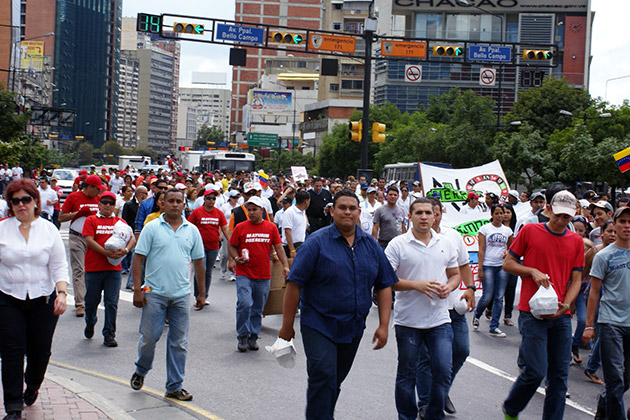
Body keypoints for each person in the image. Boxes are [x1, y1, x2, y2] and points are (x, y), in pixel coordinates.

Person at [278, 189, 397, 420]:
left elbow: (384, 285)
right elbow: (294, 284)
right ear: (332, 211)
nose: (347, 212)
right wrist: (287, 326)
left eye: (352, 208)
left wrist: (383, 325)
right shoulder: (316, 243)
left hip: (353, 327)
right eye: (342, 208)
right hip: (318, 324)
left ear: (359, 212)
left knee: (334, 380)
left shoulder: (370, 245)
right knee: (323, 374)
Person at [502, 190, 584, 420]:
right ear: (548, 210)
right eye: (557, 215)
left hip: (561, 315)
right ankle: (512, 408)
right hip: (532, 312)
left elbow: (577, 278)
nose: (561, 221)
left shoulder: (576, 241)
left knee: (559, 377)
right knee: (535, 372)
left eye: (566, 217)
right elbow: (508, 263)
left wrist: (566, 304)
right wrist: (532, 271)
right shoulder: (530, 231)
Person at [385, 198, 461, 420]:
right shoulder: (397, 244)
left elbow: (455, 274)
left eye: (428, 212)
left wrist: (449, 287)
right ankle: (406, 416)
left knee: (443, 370)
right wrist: (416, 285)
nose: (424, 217)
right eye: (419, 213)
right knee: (407, 375)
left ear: (435, 216)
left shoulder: (445, 243)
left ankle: (433, 413)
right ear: (410, 217)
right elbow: (386, 280)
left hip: (439, 319)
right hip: (408, 321)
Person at [0, 179, 68, 420]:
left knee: (40, 351)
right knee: (11, 352)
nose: (21, 205)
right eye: (15, 201)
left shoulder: (49, 230)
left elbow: (59, 265)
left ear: (36, 201)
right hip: (8, 298)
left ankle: (32, 384)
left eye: (26, 199)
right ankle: (13, 407)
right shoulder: (2, 229)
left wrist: (62, 293)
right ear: (10, 204)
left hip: (43, 299)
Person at [130, 188, 206, 401]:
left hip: (181, 295)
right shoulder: (152, 228)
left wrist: (201, 293)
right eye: (170, 201)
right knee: (149, 338)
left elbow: (199, 262)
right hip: (153, 293)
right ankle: (141, 370)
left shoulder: (192, 230)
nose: (174, 204)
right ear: (162, 204)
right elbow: (138, 259)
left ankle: (174, 385)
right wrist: (137, 290)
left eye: (178, 201)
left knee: (179, 342)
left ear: (184, 205)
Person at [415, 198, 476, 416]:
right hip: (426, 308)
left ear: (440, 214)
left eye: (435, 213)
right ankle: (425, 402)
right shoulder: (411, 239)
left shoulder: (453, 236)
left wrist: (470, 288)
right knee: (426, 358)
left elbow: (464, 265)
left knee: (461, 350)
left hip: (453, 308)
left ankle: (441, 391)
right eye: (425, 212)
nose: (431, 217)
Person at [583, 207, 630, 420]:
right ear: (615, 225)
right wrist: (589, 325)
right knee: (615, 379)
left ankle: (604, 405)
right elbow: (594, 292)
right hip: (611, 322)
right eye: (623, 222)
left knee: (626, 380)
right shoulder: (604, 256)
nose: (627, 226)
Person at [228, 196, 289, 352]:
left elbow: (279, 247)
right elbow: (232, 245)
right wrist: (235, 258)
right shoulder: (241, 227)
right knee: (244, 303)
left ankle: (253, 336)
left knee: (257, 308)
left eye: (254, 209)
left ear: (262, 210)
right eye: (249, 210)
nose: (251, 213)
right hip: (244, 273)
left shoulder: (271, 227)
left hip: (263, 275)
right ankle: (242, 335)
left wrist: (285, 266)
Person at [82, 191, 136, 347]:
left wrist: (125, 250)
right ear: (99, 204)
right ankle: (90, 321)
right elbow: (89, 240)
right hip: (94, 267)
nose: (107, 205)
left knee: (111, 302)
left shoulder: (119, 222)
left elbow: (132, 238)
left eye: (111, 203)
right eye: (104, 202)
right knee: (91, 301)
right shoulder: (91, 220)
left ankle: (109, 334)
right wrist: (104, 252)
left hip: (113, 268)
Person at [59, 175, 105, 317]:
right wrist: (77, 214)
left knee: (91, 270)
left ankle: (90, 300)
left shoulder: (99, 199)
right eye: (97, 189)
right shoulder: (73, 197)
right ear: (89, 187)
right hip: (77, 236)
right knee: (79, 269)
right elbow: (61, 217)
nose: (98, 192)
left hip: (93, 238)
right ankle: (80, 304)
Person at [472, 204, 513, 337]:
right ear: (492, 214)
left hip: (502, 266)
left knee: (499, 297)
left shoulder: (508, 231)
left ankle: (494, 326)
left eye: (502, 213)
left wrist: (507, 253)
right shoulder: (484, 229)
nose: (500, 216)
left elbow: (511, 248)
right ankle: (477, 314)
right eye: (497, 213)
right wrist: (480, 268)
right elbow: (481, 249)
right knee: (487, 295)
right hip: (488, 265)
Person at [188, 189, 229, 305]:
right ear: (204, 199)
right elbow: (189, 226)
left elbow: (224, 228)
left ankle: (204, 296)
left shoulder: (218, 213)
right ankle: (198, 295)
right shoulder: (197, 212)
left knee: (208, 272)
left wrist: (231, 241)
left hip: (213, 247)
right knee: (201, 270)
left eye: (213, 198)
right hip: (199, 247)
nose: (211, 201)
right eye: (209, 198)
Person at [120, 186, 148, 283]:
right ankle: (125, 269)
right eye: (146, 193)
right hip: (131, 231)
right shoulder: (129, 205)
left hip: (140, 232)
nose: (147, 195)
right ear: (141, 194)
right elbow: (125, 218)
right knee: (131, 252)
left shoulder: (145, 205)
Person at [281, 190, 310, 258]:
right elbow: (287, 231)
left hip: (301, 245)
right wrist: (292, 250)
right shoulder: (289, 212)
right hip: (290, 247)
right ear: (306, 201)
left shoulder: (303, 212)